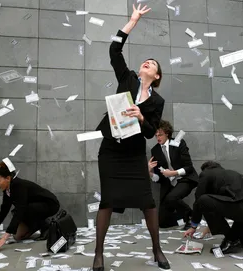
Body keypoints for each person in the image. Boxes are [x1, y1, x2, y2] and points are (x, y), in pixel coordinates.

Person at [93, 4, 170, 271]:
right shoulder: (127, 79)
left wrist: (140, 117)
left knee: (148, 202)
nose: (147, 62)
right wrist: (132, 21)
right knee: (107, 201)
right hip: (112, 151)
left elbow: (151, 132)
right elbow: (114, 49)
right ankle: (99, 255)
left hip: (135, 154)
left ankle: (158, 250)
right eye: (146, 61)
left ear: (156, 76)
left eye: (153, 64)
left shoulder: (157, 100)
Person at [0, 162, 60, 250]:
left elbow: (20, 210)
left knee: (21, 211)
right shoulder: (7, 190)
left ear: (8, 178)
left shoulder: (19, 186)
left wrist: (4, 238)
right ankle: (36, 225)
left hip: (50, 204)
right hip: (32, 208)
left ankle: (45, 225)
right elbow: (4, 210)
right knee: (18, 237)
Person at [148, 120, 198, 230]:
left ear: (167, 133)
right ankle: (185, 219)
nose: (158, 137)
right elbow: (158, 178)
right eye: (156, 135)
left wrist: (173, 173)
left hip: (185, 178)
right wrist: (150, 172)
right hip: (168, 183)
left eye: (160, 134)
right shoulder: (155, 150)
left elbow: (189, 167)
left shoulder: (178, 142)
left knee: (172, 197)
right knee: (162, 222)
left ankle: (191, 216)